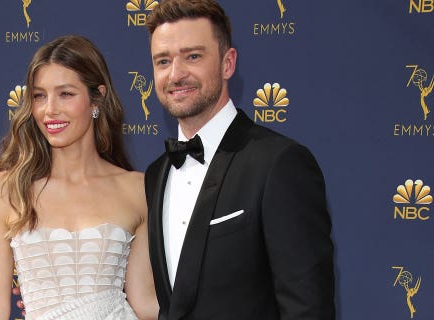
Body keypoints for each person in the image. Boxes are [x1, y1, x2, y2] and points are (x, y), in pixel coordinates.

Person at [143, 1, 336, 319]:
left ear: (227, 63)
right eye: (163, 61)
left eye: (193, 56)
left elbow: (308, 307)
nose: (176, 74)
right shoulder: (156, 174)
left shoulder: (280, 164)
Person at [0, 35, 158, 320]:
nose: (50, 109)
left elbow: (144, 303)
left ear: (97, 98)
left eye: (66, 94)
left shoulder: (137, 189)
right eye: (39, 96)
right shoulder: (6, 190)